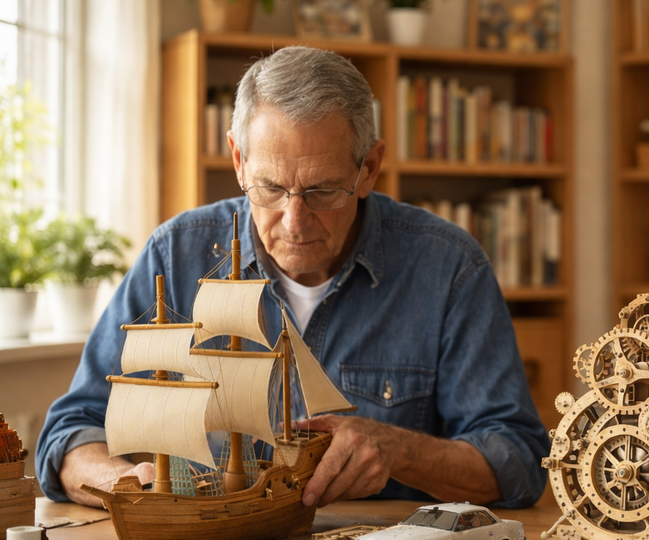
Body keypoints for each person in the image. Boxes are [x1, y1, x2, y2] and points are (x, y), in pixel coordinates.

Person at [37, 46, 549, 510]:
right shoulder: (175, 255)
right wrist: (127, 483)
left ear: (369, 168)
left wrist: (400, 451)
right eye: (270, 188)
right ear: (239, 161)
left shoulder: (449, 267)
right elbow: (69, 434)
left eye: (323, 191)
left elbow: (519, 460)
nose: (295, 221)